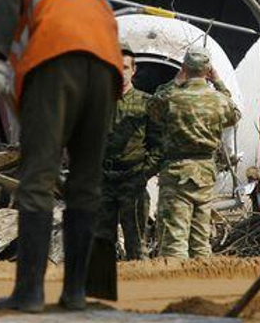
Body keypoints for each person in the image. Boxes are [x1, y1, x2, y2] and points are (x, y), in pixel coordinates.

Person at [0, 0, 122, 312]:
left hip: (56, 60)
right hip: (107, 73)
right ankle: (76, 293)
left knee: (37, 180)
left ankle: (29, 293)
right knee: (87, 184)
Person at [148, 50, 240, 259]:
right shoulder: (218, 100)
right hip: (205, 173)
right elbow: (233, 114)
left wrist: (175, 81)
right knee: (200, 240)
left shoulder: (172, 97)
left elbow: (153, 107)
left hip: (176, 173)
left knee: (174, 242)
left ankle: (173, 287)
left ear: (185, 69)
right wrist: (219, 84)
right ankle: (201, 286)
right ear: (208, 71)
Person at [93, 46, 160, 261]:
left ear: (133, 70)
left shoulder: (147, 103)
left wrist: (143, 174)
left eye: (124, 67)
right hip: (103, 181)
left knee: (136, 245)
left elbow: (159, 145)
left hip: (133, 181)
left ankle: (139, 291)